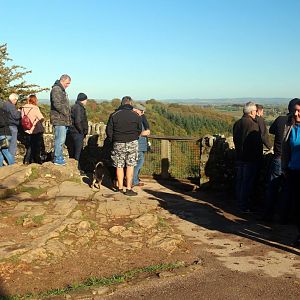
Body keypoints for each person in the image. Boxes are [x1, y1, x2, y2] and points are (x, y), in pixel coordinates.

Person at [262, 99, 299, 222]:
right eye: (295, 110)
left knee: (273, 188)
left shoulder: (280, 119)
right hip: (288, 162)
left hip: (278, 158)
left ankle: (268, 214)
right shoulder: (292, 125)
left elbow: (271, 131)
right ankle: (284, 216)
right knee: (287, 191)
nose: (296, 114)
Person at [233, 101, 266, 212]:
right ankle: (244, 206)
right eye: (256, 111)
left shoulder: (237, 123)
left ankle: (239, 203)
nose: (256, 113)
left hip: (239, 157)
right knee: (247, 183)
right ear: (252, 112)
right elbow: (256, 144)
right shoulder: (253, 125)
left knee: (240, 181)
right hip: (250, 159)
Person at [106, 96, 142, 196]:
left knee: (119, 165)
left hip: (118, 143)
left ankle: (120, 187)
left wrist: (113, 140)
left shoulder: (114, 115)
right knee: (130, 165)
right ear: (130, 103)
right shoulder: (136, 116)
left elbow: (109, 131)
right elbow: (139, 130)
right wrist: (134, 137)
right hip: (132, 142)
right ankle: (129, 189)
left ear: (122, 103)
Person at [281, 99, 300, 247]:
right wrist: (284, 167)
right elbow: (285, 149)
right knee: (297, 205)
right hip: (293, 170)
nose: (296, 113)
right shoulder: (289, 126)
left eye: (299, 111)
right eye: (294, 110)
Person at [50, 74, 72, 166]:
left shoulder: (61, 90)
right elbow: (57, 104)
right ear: (62, 80)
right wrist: (67, 112)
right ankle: (57, 158)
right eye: (67, 83)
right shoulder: (56, 89)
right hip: (59, 119)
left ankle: (59, 156)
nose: (68, 85)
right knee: (60, 139)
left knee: (61, 140)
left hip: (62, 119)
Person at [67, 93, 88, 173]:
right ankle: (77, 169)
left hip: (72, 132)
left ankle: (74, 168)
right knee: (78, 152)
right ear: (83, 100)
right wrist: (82, 131)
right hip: (77, 133)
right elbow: (78, 121)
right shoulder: (79, 108)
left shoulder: (74, 106)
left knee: (73, 151)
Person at [21, 95, 45, 164]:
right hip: (35, 129)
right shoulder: (35, 108)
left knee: (30, 145)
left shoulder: (23, 108)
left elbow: (23, 118)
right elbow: (41, 118)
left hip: (27, 129)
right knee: (36, 146)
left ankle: (27, 160)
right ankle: (36, 160)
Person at [132, 104, 150, 187]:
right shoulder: (138, 118)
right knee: (140, 162)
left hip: (138, 143)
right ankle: (133, 180)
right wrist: (142, 133)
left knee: (135, 163)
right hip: (138, 143)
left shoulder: (136, 117)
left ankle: (133, 179)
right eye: (142, 111)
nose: (143, 113)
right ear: (137, 110)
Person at [3, 93, 21, 158]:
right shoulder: (11, 105)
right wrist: (19, 111)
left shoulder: (5, 104)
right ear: (14, 99)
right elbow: (16, 116)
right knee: (12, 145)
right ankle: (10, 160)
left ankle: (6, 159)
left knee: (5, 144)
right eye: (16, 100)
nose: (16, 102)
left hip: (5, 126)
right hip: (12, 125)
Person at [0, 103, 15, 167]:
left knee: (4, 151)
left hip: (2, 134)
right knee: (4, 151)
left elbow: (2, 123)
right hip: (8, 133)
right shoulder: (5, 112)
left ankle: (11, 166)